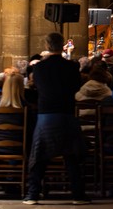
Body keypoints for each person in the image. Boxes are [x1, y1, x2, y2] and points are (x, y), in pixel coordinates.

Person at [24, 32, 89, 205]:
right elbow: (76, 87)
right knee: (71, 156)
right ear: (62, 46)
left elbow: (37, 86)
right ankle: (78, 195)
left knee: (39, 157)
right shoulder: (72, 67)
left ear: (46, 46)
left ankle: (32, 195)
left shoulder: (39, 68)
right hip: (66, 113)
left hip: (46, 115)